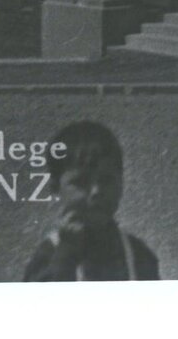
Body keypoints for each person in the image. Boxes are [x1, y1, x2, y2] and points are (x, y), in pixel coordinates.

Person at [23, 120, 160, 281]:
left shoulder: (138, 254)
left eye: (106, 180)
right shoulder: (49, 254)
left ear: (121, 183)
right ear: (55, 188)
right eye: (81, 182)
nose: (96, 191)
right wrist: (66, 255)